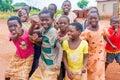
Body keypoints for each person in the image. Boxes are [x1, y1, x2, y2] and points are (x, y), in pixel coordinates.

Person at [29, 9, 63, 80]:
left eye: (47, 20)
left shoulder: (53, 32)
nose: (44, 22)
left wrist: (58, 62)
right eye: (42, 20)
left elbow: (59, 48)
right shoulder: (43, 29)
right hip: (44, 61)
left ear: (52, 20)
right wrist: (33, 24)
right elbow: (31, 32)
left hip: (51, 64)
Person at [80, 12, 115, 80]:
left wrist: (112, 45)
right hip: (90, 53)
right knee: (91, 69)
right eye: (91, 18)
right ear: (88, 19)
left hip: (100, 52)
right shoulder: (87, 31)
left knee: (99, 67)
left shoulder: (102, 28)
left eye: (95, 18)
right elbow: (82, 42)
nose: (93, 20)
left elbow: (105, 37)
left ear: (98, 18)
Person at [57, 15, 70, 80]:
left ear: (68, 24)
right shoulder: (56, 34)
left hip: (68, 60)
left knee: (67, 75)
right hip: (58, 60)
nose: (62, 25)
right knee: (59, 75)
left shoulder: (70, 35)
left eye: (65, 23)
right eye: (60, 23)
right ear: (58, 24)